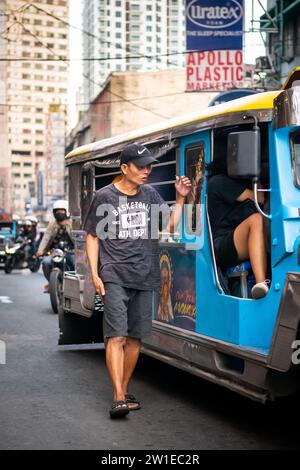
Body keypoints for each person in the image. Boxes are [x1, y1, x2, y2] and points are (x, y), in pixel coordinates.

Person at [84, 143, 191, 419]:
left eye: (149, 166)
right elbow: (93, 236)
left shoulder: (151, 195)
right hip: (114, 273)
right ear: (124, 168)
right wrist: (95, 274)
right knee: (116, 335)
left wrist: (180, 199)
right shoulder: (104, 196)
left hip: (145, 274)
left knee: (135, 338)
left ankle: (124, 388)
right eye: (141, 166)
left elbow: (168, 227)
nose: (147, 171)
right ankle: (119, 396)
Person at [206, 158, 269, 299]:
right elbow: (260, 198)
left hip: (236, 240)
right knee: (257, 220)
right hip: (221, 245)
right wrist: (256, 173)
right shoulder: (219, 182)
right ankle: (261, 284)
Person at [36, 200, 74, 293]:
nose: (59, 213)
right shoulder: (52, 224)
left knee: (76, 263)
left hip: (71, 252)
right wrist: (40, 250)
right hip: (55, 253)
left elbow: (79, 238)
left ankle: (74, 284)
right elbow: (46, 237)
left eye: (61, 211)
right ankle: (52, 283)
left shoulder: (73, 223)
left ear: (67, 212)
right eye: (56, 211)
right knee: (46, 262)